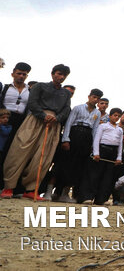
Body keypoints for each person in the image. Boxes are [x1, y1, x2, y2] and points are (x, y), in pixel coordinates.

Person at [1, 64, 71, 200]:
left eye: (64, 75)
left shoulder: (66, 93)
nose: (61, 77)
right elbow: (32, 103)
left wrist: (56, 118)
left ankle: (31, 189)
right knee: (19, 152)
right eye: (58, 73)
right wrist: (43, 115)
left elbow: (66, 110)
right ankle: (8, 187)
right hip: (34, 121)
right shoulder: (40, 86)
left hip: (52, 125)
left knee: (43, 157)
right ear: (52, 74)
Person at [52, 88, 103, 203]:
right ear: (89, 96)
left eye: (98, 99)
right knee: (66, 163)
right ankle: (57, 192)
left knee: (78, 166)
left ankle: (66, 192)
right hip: (75, 133)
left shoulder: (97, 113)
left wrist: (93, 146)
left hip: (86, 137)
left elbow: (95, 129)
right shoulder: (78, 108)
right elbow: (69, 123)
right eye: (94, 97)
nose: (95, 100)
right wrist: (66, 139)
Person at [0, 62, 31, 181]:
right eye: (19, 73)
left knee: (13, 152)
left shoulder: (29, 90)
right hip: (5, 119)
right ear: (13, 74)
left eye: (24, 74)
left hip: (20, 121)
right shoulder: (5, 88)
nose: (21, 76)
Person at [86, 107, 123, 205]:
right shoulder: (103, 126)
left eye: (118, 116)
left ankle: (101, 199)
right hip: (102, 150)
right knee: (95, 175)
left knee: (108, 177)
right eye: (115, 115)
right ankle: (89, 197)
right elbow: (97, 139)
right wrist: (96, 153)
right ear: (110, 116)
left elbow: (120, 144)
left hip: (113, 152)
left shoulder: (120, 129)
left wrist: (119, 157)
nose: (116, 118)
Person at [0, 109, 11, 190]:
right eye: (3, 117)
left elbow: (5, 132)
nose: (5, 119)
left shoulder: (8, 127)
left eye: (7, 118)